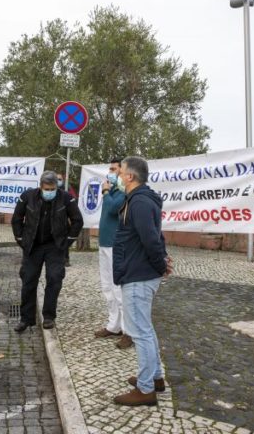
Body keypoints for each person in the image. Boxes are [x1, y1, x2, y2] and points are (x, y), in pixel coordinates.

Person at [112, 156, 173, 406]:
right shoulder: (138, 199)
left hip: (139, 275)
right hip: (138, 271)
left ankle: (146, 389)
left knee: (140, 332)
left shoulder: (139, 202)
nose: (116, 175)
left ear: (129, 177)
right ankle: (155, 377)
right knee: (145, 328)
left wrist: (160, 264)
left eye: (120, 171)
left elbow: (151, 238)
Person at [12, 170, 83, 332]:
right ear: (40, 186)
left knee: (54, 279)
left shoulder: (65, 198)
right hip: (32, 246)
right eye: (47, 189)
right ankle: (26, 319)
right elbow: (17, 218)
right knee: (28, 280)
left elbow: (77, 221)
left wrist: (67, 242)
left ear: (56, 187)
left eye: (52, 189)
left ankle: (49, 316)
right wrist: (21, 239)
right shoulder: (27, 196)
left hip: (55, 246)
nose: (50, 192)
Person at [94, 159, 131, 350]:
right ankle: (113, 325)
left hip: (116, 245)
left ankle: (128, 331)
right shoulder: (113, 193)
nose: (110, 172)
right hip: (104, 244)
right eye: (109, 169)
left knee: (118, 288)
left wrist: (106, 191)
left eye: (114, 169)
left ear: (122, 173)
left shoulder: (123, 193)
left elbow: (111, 210)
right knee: (107, 286)